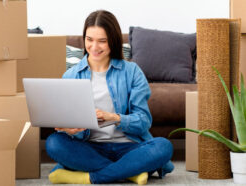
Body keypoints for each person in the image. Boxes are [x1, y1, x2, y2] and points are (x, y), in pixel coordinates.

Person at [45, 10, 174, 185]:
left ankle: (90, 176)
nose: (94, 47)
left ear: (112, 41)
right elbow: (69, 127)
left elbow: (144, 121)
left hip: (129, 147)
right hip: (90, 147)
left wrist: (114, 118)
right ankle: (130, 172)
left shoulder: (132, 72)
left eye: (102, 41)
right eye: (89, 39)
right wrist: (70, 130)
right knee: (54, 143)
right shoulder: (71, 75)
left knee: (163, 146)